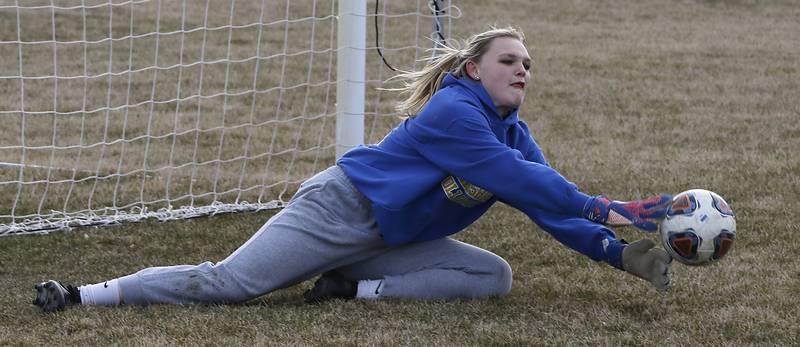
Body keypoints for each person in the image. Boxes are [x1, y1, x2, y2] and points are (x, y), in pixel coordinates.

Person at [33, 27, 673, 313]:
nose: (524, 69)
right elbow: (534, 185)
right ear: (474, 69)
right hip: (338, 209)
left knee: (491, 276)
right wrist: (601, 206)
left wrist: (618, 255)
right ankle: (84, 295)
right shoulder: (456, 111)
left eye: (529, 63)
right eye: (510, 59)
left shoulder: (514, 135)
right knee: (230, 286)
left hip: (388, 241)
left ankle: (348, 287)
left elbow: (543, 203)